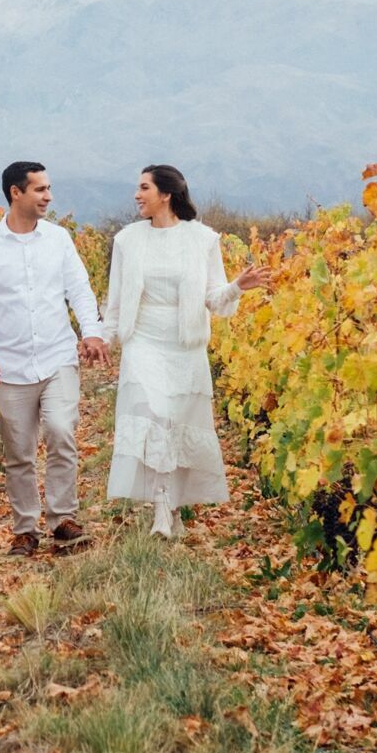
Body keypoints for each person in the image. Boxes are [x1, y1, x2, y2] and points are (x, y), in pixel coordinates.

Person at [101, 165, 271, 538]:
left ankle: (172, 507)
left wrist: (237, 287)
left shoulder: (202, 239)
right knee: (155, 419)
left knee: (176, 425)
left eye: (143, 187)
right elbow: (115, 302)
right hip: (143, 340)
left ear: (166, 194)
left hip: (184, 344)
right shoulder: (127, 240)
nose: (136, 194)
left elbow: (213, 298)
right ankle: (161, 510)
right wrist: (103, 339)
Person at [0, 161, 108, 556]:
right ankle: (25, 529)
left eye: (48, 188)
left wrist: (91, 330)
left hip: (58, 355)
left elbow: (79, 287)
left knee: (61, 431)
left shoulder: (58, 240)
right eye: (40, 189)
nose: (49, 196)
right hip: (9, 365)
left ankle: (62, 519)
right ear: (16, 193)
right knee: (19, 451)